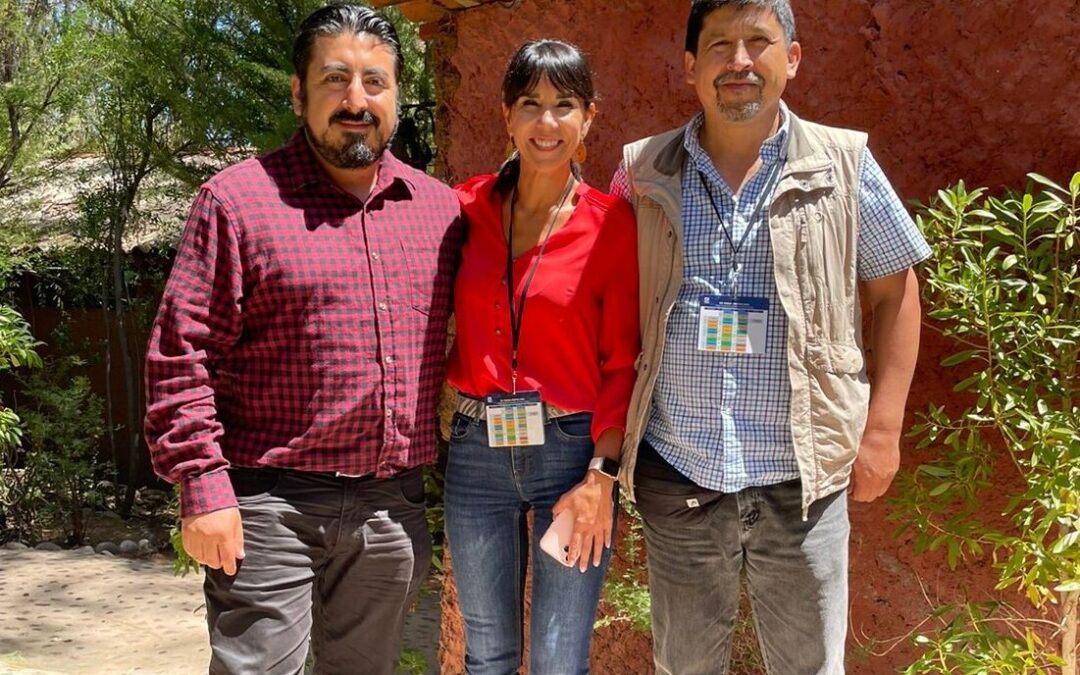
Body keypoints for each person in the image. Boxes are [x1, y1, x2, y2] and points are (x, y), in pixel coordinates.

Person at [609, 1, 931, 672]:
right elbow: (605, 304)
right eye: (720, 45)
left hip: (803, 481)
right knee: (684, 665)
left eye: (759, 41)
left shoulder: (843, 164)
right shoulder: (642, 173)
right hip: (681, 473)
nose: (740, 60)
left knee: (810, 666)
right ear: (692, 66)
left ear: (793, 58)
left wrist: (882, 430)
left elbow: (894, 291)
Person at [143, 5, 462, 673]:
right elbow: (182, 352)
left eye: (375, 82)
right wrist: (202, 483)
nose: (356, 100)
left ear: (398, 95)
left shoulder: (441, 212)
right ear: (298, 92)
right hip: (268, 504)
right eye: (335, 80)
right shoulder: (237, 203)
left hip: (389, 507)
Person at [444, 40, 639, 675]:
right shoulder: (466, 208)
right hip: (477, 451)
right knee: (487, 654)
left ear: (589, 118)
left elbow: (622, 362)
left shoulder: (613, 225)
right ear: (507, 115)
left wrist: (601, 478)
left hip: (571, 454)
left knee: (559, 658)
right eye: (530, 104)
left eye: (564, 105)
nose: (546, 123)